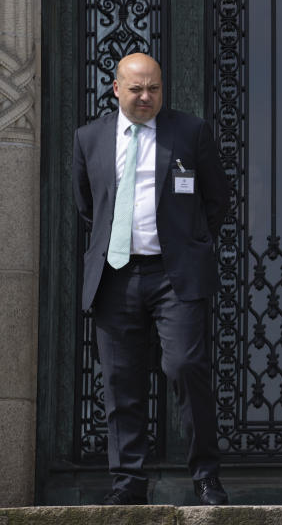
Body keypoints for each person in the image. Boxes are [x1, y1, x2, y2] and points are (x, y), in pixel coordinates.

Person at [72, 53, 229, 506]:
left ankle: (205, 477)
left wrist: (189, 242)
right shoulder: (88, 139)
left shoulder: (190, 132)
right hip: (115, 274)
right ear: (117, 89)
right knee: (121, 382)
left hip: (173, 276)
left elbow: (216, 198)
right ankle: (129, 483)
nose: (146, 97)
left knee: (185, 368)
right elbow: (88, 205)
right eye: (137, 89)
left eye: (154, 89)